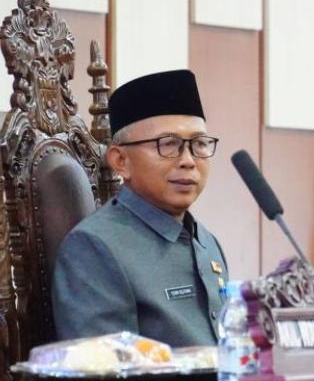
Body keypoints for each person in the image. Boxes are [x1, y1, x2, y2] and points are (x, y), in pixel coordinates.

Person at [51, 69, 228, 346]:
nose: (189, 161)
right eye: (168, 145)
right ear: (121, 161)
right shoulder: (93, 248)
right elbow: (105, 367)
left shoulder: (206, 241)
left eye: (199, 144)